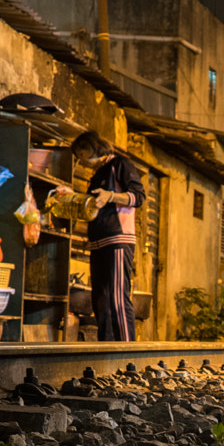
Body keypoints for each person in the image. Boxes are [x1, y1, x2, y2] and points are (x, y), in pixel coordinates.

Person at [72, 130, 145, 341]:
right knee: (100, 299)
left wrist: (111, 196)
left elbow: (138, 197)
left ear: (92, 147)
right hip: (98, 243)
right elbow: (90, 204)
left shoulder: (120, 165)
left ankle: (126, 349)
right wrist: (68, 196)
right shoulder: (97, 173)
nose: (81, 160)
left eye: (82, 153)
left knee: (118, 298)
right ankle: (106, 348)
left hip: (118, 239)